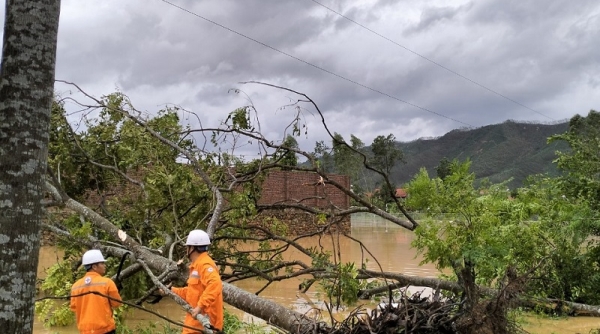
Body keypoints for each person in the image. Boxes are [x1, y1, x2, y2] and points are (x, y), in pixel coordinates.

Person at [169, 229, 224, 333]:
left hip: (205, 326)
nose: (186, 250)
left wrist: (200, 306)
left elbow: (215, 284)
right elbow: (192, 292)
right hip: (194, 325)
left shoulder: (205, 265)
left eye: (187, 247)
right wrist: (171, 290)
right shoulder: (196, 266)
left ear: (192, 248)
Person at [70, 249, 122, 334]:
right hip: (105, 330)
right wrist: (117, 290)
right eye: (102, 263)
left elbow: (74, 308)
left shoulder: (75, 286)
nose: (104, 265)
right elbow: (117, 304)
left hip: (84, 331)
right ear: (94, 266)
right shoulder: (107, 283)